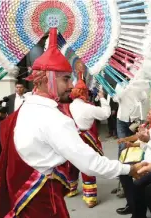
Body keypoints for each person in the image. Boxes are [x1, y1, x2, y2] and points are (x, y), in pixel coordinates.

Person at [0, 27, 144, 218]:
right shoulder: (53, 118)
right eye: (66, 79)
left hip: (21, 198)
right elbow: (91, 164)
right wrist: (129, 169)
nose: (71, 85)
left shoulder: (25, 107)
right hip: (43, 202)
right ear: (46, 80)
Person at [61, 64, 111, 208]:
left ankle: (71, 188)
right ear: (85, 93)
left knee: (72, 164)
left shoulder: (68, 106)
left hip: (72, 138)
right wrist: (102, 98)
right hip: (86, 139)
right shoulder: (88, 108)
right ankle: (89, 197)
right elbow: (106, 114)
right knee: (87, 165)